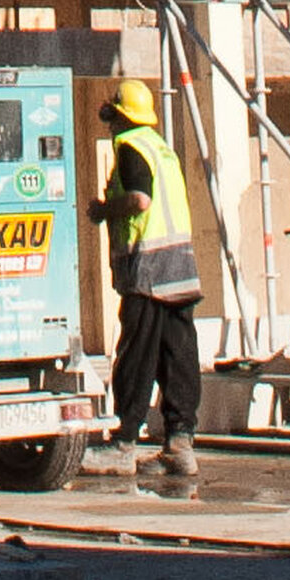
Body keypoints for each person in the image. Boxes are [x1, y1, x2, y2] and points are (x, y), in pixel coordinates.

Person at [95, 75, 202, 494]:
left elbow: (139, 199)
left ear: (119, 116)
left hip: (150, 270)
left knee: (137, 353)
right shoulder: (162, 147)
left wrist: (104, 209)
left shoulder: (131, 147)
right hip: (180, 265)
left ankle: (124, 442)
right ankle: (180, 443)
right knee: (178, 355)